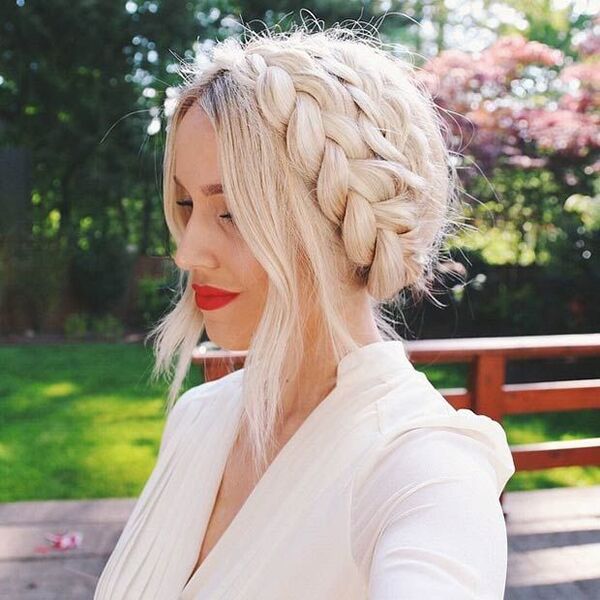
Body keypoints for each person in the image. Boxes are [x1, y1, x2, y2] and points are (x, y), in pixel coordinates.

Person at [94, 18, 515, 600]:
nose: (187, 251)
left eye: (233, 211)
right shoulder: (199, 416)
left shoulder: (424, 468)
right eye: (186, 205)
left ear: (337, 222)